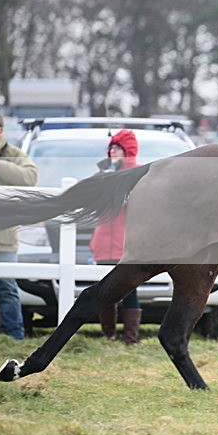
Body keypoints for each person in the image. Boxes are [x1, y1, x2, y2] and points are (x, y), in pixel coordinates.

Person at [90, 130, 142, 345]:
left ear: (128, 151)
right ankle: (109, 335)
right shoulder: (102, 174)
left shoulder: (139, 176)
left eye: (118, 148)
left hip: (126, 244)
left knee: (130, 291)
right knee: (105, 291)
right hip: (103, 242)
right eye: (111, 148)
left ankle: (131, 338)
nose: (113, 152)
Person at [0, 112, 38, 339]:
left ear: (0, 130)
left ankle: (14, 337)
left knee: (7, 288)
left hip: (3, 237)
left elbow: (31, 177)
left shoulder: (13, 154)